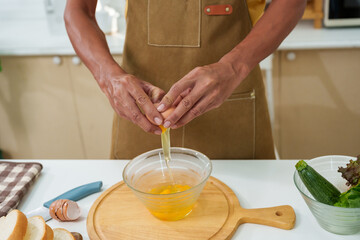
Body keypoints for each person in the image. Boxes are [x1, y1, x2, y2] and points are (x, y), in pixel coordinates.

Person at [64, 0, 306, 159]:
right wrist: (109, 78)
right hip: (142, 111)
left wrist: (233, 67)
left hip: (233, 114)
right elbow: (77, 9)